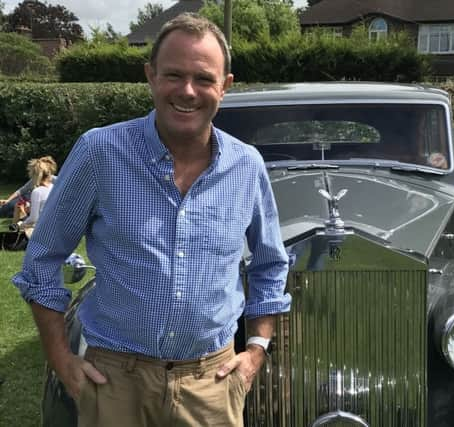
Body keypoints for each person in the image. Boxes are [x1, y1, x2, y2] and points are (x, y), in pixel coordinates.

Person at [13, 13, 290, 427]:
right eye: (173, 75)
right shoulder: (99, 153)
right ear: (150, 76)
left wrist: (254, 351)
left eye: (204, 78)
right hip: (114, 382)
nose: (188, 91)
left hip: (211, 384)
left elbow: (270, 264)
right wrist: (61, 360)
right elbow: (42, 260)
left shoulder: (246, 166)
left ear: (225, 86)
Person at [10, 156, 57, 237]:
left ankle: (14, 233)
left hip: (42, 231)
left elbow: (34, 219)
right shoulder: (54, 187)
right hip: (54, 228)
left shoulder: (37, 192)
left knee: (19, 210)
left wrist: (21, 224)